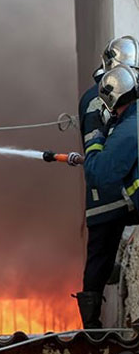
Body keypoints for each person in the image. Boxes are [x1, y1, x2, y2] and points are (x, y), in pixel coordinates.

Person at [80, 64, 139, 328]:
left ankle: (93, 330)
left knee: (100, 251)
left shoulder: (128, 130)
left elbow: (99, 173)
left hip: (113, 203)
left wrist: (95, 138)